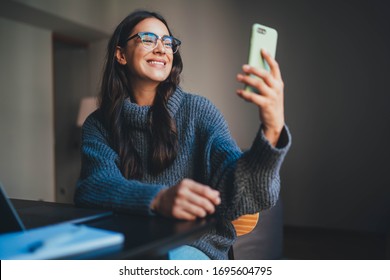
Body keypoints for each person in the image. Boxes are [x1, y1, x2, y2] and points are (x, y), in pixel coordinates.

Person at [74, 10, 291, 260]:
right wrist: (158, 199)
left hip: (194, 248)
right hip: (129, 246)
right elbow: (93, 187)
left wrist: (272, 130)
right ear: (121, 54)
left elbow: (242, 194)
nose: (161, 49)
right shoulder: (99, 123)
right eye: (147, 39)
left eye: (167, 42)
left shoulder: (199, 111)